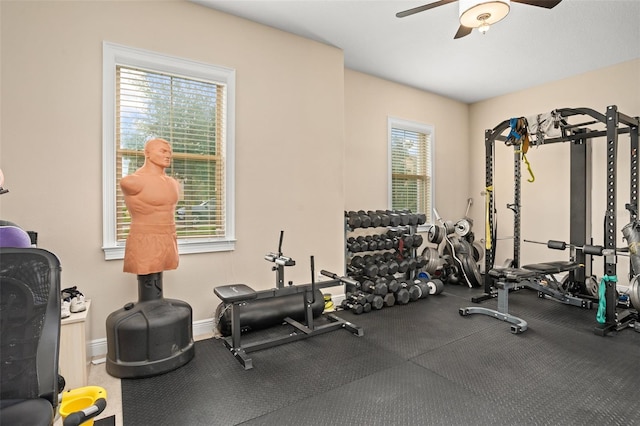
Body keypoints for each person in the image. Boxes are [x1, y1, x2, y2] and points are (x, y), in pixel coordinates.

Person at [120, 138, 180, 275]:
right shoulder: (132, 182)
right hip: (144, 239)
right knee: (148, 285)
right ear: (147, 153)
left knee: (159, 281)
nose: (168, 155)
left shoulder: (173, 183)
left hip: (169, 237)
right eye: (163, 151)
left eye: (170, 152)